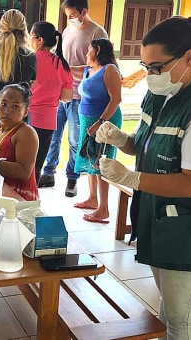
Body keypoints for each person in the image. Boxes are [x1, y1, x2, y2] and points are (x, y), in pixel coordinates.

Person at [96, 16, 191, 339]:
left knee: (184, 320)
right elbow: (147, 145)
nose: (149, 75)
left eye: (156, 67)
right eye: (145, 66)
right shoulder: (160, 94)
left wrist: (131, 179)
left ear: (189, 58)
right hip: (163, 222)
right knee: (172, 314)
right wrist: (121, 139)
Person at [38, 0, 108, 198]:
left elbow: (99, 68)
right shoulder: (68, 31)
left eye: (72, 14)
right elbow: (61, 61)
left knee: (75, 140)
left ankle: (72, 178)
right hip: (60, 95)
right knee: (53, 136)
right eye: (67, 15)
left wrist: (68, 71)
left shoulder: (98, 33)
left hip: (81, 96)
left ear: (83, 11)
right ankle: (48, 172)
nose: (70, 19)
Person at [70, 38, 122, 224]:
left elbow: (116, 99)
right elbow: (68, 68)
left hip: (104, 121)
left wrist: (100, 122)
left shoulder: (109, 70)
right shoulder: (88, 70)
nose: (86, 54)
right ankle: (93, 199)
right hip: (87, 120)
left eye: (88, 50)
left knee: (102, 163)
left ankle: (104, 209)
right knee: (90, 159)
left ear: (97, 50)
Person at [0, 9, 36, 138]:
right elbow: (32, 79)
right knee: (17, 154)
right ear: (23, 28)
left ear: (1, 26)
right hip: (19, 109)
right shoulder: (29, 55)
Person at [28, 21, 73, 184]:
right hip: (48, 122)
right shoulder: (62, 64)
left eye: (31, 36)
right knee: (37, 167)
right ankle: (32, 201)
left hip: (26, 118)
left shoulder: (29, 59)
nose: (29, 40)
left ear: (39, 40)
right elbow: (67, 97)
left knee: (21, 165)